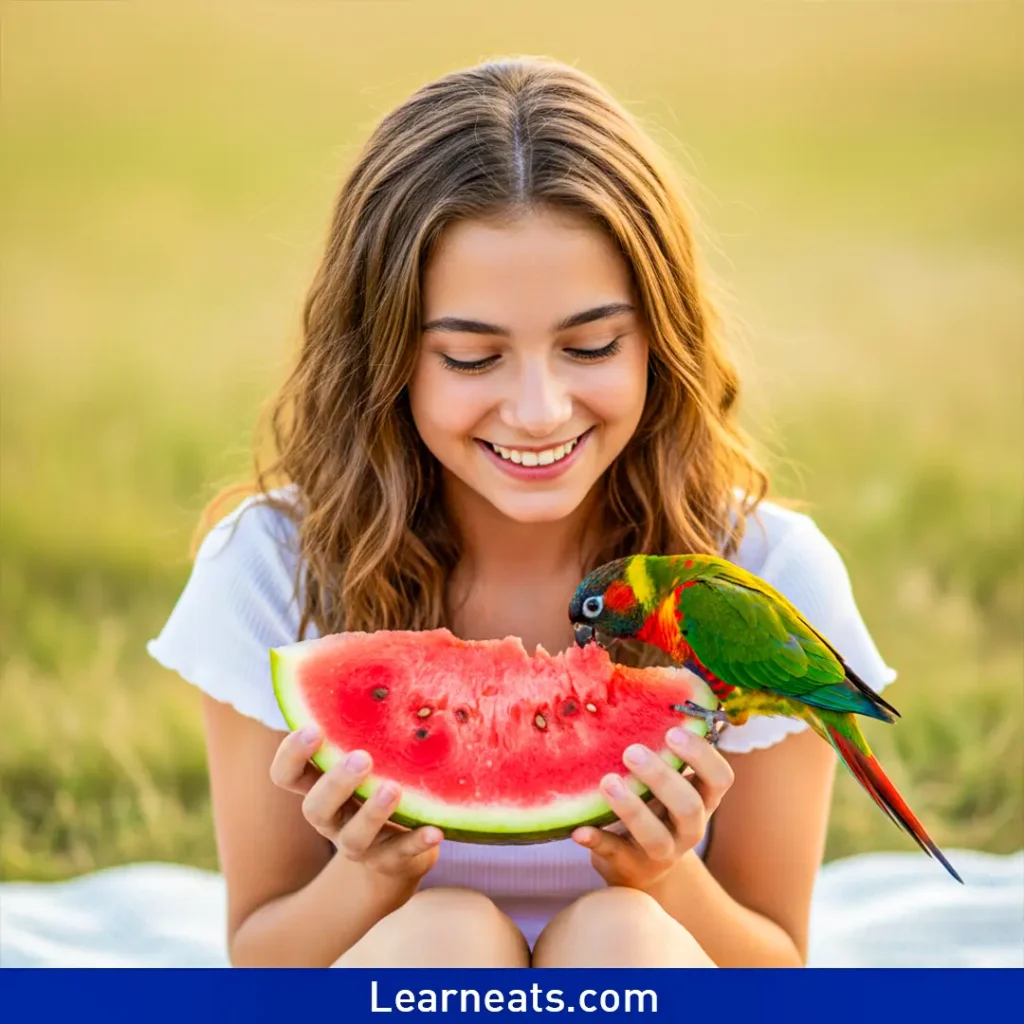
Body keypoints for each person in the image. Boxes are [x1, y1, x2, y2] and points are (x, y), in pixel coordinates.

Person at [147, 56, 897, 968]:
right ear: (383, 360)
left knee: (620, 934)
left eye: (590, 345)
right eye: (471, 358)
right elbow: (260, 960)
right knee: (443, 934)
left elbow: (776, 965)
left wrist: (666, 879)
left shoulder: (768, 575)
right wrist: (369, 878)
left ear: (660, 341)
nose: (540, 410)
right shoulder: (270, 566)